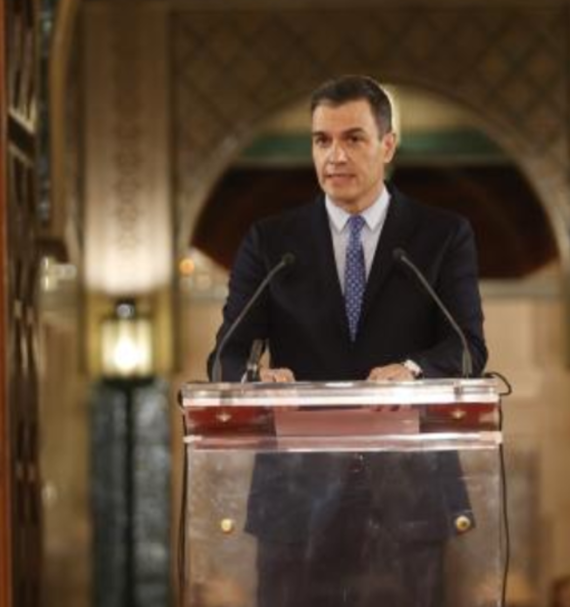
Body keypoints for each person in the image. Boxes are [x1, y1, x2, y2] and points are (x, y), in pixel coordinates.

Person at [207, 75, 488, 607]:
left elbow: (468, 349)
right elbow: (227, 352)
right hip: (295, 497)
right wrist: (254, 378)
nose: (335, 155)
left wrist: (411, 369)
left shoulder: (442, 235)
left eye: (353, 138)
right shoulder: (271, 242)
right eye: (321, 140)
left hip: (410, 494)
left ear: (388, 144)